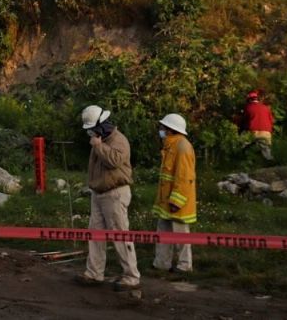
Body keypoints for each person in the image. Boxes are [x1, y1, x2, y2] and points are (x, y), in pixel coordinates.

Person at [74, 105, 141, 291]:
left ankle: (131, 276)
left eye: (92, 129)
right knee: (95, 234)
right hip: (99, 193)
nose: (91, 133)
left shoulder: (118, 140)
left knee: (120, 235)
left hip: (115, 193)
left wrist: (99, 146)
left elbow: (114, 162)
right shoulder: (100, 140)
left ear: (101, 125)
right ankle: (94, 273)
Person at [152, 114, 196, 273]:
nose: (161, 130)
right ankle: (161, 263)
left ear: (171, 129)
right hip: (165, 201)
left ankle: (184, 266)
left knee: (181, 235)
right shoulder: (170, 145)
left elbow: (184, 178)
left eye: (163, 127)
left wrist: (177, 201)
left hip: (178, 202)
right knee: (163, 234)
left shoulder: (182, 147)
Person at [240, 91, 275, 161]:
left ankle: (242, 160)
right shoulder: (266, 108)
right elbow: (272, 121)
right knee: (266, 152)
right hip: (266, 132)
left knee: (243, 145)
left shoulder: (248, 107)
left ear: (249, 99)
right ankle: (270, 162)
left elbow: (243, 120)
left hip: (252, 132)